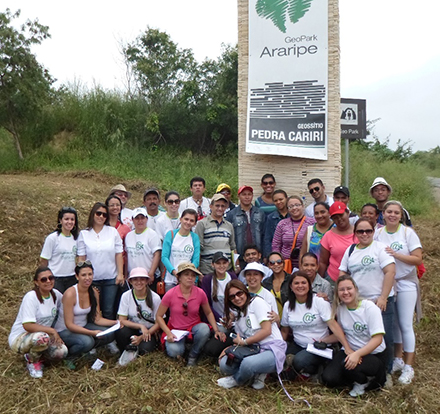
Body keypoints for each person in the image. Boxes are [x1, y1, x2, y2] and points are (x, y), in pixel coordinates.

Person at [339, 218, 396, 378]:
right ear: (355, 233)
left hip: (380, 300)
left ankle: (386, 372)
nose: (364, 234)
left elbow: (390, 272)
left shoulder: (380, 248)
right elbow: (343, 272)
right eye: (360, 231)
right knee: (362, 336)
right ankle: (364, 368)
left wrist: (383, 297)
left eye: (368, 231)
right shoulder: (350, 250)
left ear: (373, 231)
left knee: (385, 338)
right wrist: (343, 292)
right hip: (358, 302)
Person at [374, 200, 423, 385]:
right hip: (388, 283)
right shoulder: (378, 233)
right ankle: (398, 358)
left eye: (396, 212)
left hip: (406, 282)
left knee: (405, 324)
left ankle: (409, 366)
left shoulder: (407, 233)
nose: (392, 215)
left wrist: (396, 255)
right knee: (393, 325)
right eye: (389, 212)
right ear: (383, 214)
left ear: (401, 215)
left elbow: (418, 259)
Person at [322, 275, 387, 397]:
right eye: (341, 290)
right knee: (329, 378)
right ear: (337, 293)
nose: (346, 292)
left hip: (372, 353)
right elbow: (342, 334)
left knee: (347, 365)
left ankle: (365, 381)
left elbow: (378, 339)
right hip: (349, 350)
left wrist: (357, 354)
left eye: (349, 288)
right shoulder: (340, 308)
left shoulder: (369, 307)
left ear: (356, 289)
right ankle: (352, 378)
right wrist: (322, 341)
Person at [217, 280, 287, 389]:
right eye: (232, 297)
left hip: (271, 348)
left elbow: (267, 330)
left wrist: (244, 342)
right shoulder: (239, 313)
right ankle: (254, 373)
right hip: (253, 348)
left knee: (247, 363)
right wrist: (230, 348)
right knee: (225, 364)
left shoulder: (257, 302)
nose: (237, 298)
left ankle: (236, 379)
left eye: (239, 293)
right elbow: (242, 337)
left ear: (245, 292)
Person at [280, 271, 349, 379]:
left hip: (318, 346)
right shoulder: (288, 305)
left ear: (309, 285)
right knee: (281, 360)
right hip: (298, 344)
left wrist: (346, 347)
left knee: (298, 361)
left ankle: (317, 368)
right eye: (296, 283)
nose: (300, 286)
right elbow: (284, 330)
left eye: (304, 283)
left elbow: (333, 325)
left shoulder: (319, 302)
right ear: (291, 287)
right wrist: (278, 348)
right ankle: (305, 371)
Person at [156, 263, 226, 366]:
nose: (190, 277)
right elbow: (159, 316)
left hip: (194, 327)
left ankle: (193, 354)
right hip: (176, 329)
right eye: (186, 274)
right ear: (179, 277)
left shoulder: (200, 293)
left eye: (193, 275)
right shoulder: (170, 294)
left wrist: (216, 330)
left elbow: (208, 312)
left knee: (204, 329)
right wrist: (168, 332)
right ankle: (183, 351)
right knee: (174, 351)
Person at [9, 267, 68, 378]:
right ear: (36, 282)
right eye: (43, 279)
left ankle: (38, 356)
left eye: (51, 278)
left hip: (43, 335)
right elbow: (28, 325)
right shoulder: (31, 297)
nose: (48, 281)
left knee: (61, 352)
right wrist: (52, 331)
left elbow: (67, 302)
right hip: (21, 337)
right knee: (42, 338)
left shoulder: (56, 294)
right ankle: (32, 362)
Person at [57, 261, 120, 361]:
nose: (87, 278)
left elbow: (97, 319)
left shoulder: (94, 292)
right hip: (65, 330)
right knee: (88, 341)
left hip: (83, 326)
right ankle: (69, 356)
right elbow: (69, 325)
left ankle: (85, 350)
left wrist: (117, 323)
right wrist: (91, 332)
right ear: (77, 277)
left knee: (109, 335)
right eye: (83, 275)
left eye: (90, 274)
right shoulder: (70, 294)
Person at [77, 202, 124, 319]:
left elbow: (119, 254)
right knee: (93, 310)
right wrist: (81, 276)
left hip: (110, 278)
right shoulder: (84, 234)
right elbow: (81, 258)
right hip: (91, 279)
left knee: (109, 310)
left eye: (104, 214)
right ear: (93, 214)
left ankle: (110, 330)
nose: (101, 217)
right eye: (98, 213)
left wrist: (120, 274)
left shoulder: (113, 232)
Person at [115, 267, 161, 366]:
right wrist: (140, 326)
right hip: (133, 328)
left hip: (149, 331)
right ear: (130, 281)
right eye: (135, 279)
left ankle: (135, 352)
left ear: (147, 281)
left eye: (142, 279)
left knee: (146, 349)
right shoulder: (126, 296)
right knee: (121, 331)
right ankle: (125, 351)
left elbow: (159, 323)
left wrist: (141, 337)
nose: (139, 282)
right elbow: (122, 320)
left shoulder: (155, 298)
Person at [201, 252, 237, 357]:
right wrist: (221, 319)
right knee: (221, 332)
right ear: (213, 265)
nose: (221, 266)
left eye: (224, 263)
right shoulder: (208, 279)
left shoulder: (232, 276)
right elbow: (206, 304)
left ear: (228, 264)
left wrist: (231, 317)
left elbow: (238, 300)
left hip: (232, 319)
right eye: (218, 263)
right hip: (216, 320)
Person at [40, 206, 79, 293]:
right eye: (66, 219)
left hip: (72, 277)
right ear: (60, 220)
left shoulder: (76, 239)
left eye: (72, 219)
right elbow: (44, 260)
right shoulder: (53, 238)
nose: (69, 222)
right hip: (56, 278)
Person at [195, 193, 236, 275]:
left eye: (222, 206)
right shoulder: (202, 224)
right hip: (208, 270)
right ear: (211, 206)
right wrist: (198, 270)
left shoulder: (229, 225)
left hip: (226, 270)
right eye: (217, 206)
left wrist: (236, 266)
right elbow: (198, 248)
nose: (220, 208)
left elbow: (233, 247)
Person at [272, 196, 315, 272]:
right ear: (287, 209)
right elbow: (276, 245)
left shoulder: (312, 223)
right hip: (286, 264)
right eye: (291, 206)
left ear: (303, 206)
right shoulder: (282, 224)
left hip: (306, 264)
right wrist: (278, 261)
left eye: (297, 205)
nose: (294, 208)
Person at [226, 186, 266, 269]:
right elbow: (230, 238)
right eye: (244, 194)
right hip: (240, 258)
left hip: (257, 256)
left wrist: (265, 255)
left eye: (249, 194)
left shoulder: (260, 213)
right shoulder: (231, 214)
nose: (247, 197)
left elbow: (264, 235)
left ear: (252, 196)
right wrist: (235, 259)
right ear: (239, 196)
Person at [161, 209, 200, 292]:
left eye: (191, 220)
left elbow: (196, 260)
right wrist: (174, 272)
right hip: (171, 279)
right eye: (186, 219)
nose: (188, 222)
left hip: (189, 280)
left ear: (195, 223)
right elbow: (164, 257)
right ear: (181, 219)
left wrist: (187, 275)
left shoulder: (195, 237)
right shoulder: (171, 234)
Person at [318, 202, 357, 286]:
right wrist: (319, 282)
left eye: (341, 215)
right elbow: (323, 262)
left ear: (347, 212)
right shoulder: (328, 236)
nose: (339, 219)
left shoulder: (359, 233)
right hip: (334, 280)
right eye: (335, 218)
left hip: (357, 279)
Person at [125, 207, 162, 288]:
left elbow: (157, 254)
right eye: (137, 218)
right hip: (134, 277)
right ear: (132, 220)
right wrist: (126, 274)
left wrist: (151, 273)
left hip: (148, 276)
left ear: (146, 219)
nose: (140, 221)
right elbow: (127, 256)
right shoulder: (129, 236)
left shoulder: (152, 234)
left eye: (142, 218)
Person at [263, 189, 289, 259]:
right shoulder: (271, 217)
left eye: (281, 199)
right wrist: (268, 256)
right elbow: (267, 238)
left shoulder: (293, 215)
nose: (278, 202)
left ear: (287, 199)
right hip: (276, 254)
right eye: (275, 200)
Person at [263, 251, 290, 317]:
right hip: (272, 319)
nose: (276, 264)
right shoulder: (265, 283)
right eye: (272, 263)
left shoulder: (292, 280)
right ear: (268, 265)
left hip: (290, 317)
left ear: (283, 263)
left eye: (279, 262)